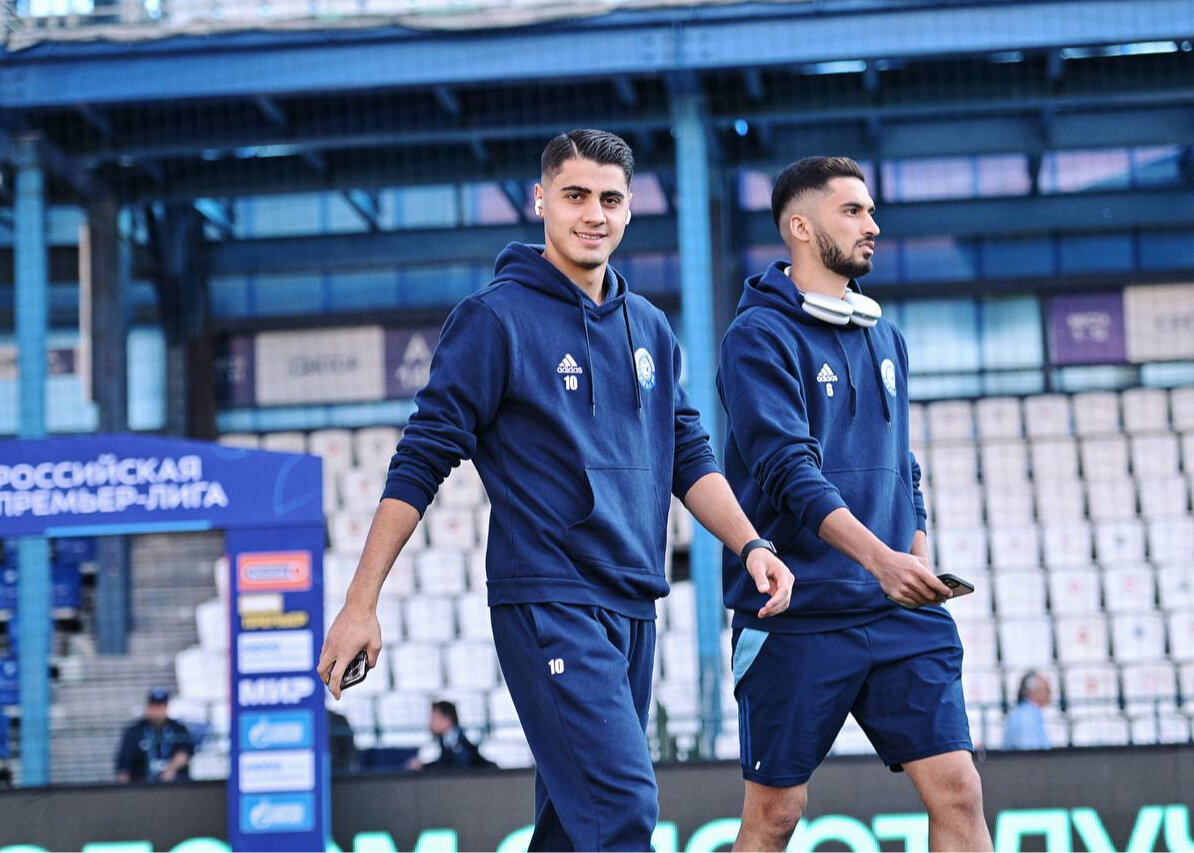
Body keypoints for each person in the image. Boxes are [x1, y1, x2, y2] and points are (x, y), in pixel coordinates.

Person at [318, 128, 793, 851]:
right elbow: (419, 460)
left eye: (610, 199)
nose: (594, 214)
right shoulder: (493, 319)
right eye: (575, 195)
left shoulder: (650, 328)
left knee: (572, 829)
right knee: (623, 809)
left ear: (629, 209)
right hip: (549, 599)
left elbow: (689, 456)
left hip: (633, 604)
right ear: (541, 200)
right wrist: (361, 601)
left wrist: (751, 543)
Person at [716, 156, 992, 852]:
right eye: (853, 211)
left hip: (898, 612)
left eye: (869, 211)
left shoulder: (885, 335)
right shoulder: (756, 337)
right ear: (801, 227)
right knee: (776, 815)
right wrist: (880, 560)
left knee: (959, 790)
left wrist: (915, 553)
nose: (872, 225)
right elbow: (788, 471)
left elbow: (904, 463)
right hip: (796, 615)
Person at [114, 688, 194, 784]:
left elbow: (185, 752)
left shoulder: (179, 729)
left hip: (174, 785)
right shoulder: (135, 731)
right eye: (154, 706)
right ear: (148, 707)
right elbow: (123, 764)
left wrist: (171, 768)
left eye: (161, 707)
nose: (157, 711)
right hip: (142, 785)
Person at [408, 700, 495, 772]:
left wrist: (425, 767)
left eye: (433, 719)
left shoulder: (455, 740)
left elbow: (456, 765)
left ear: (447, 719)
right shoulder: (446, 740)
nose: (430, 723)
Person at [1003, 671, 1052, 750]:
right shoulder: (1025, 718)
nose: (1049, 694)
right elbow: (1029, 754)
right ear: (1033, 692)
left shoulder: (1029, 715)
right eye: (1046, 690)